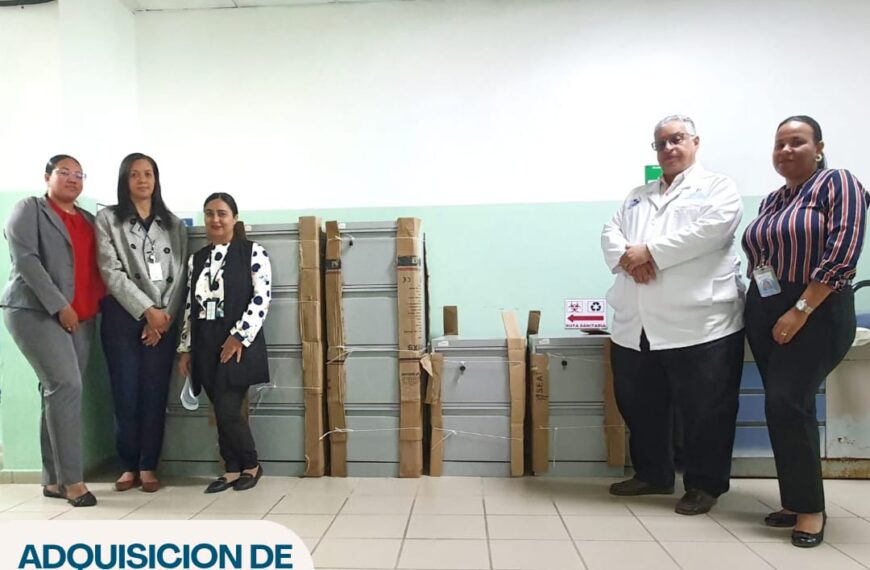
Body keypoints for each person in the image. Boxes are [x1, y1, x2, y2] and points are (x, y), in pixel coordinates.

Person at [601, 115, 745, 515]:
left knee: (706, 410)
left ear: (695, 142)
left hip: (702, 324)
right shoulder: (637, 196)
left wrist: (650, 253)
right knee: (639, 404)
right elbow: (610, 233)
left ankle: (704, 484)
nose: (668, 148)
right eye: (660, 143)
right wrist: (629, 258)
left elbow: (711, 232)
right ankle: (653, 474)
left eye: (676, 139)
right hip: (638, 324)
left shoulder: (718, 188)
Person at [742, 116, 868, 548]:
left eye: (797, 142)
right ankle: (796, 500)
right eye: (779, 144)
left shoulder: (838, 183)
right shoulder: (773, 199)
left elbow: (844, 251)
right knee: (781, 408)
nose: (786, 150)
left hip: (816, 307)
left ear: (819, 147)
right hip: (766, 305)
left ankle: (811, 510)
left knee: (788, 402)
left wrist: (801, 309)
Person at [1, 155, 106, 507]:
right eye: (65, 173)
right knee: (66, 386)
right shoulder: (29, 209)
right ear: (47, 176)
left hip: (82, 317)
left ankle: (52, 480)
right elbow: (26, 260)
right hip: (36, 311)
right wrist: (60, 306)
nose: (73, 179)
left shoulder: (89, 220)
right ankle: (72, 482)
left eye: (79, 174)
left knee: (59, 392)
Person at [95, 153, 188, 493]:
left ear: (156, 179)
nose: (142, 180)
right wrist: (146, 310)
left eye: (148, 174)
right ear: (125, 180)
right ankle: (128, 465)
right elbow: (110, 270)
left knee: (154, 392)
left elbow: (181, 274)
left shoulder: (174, 224)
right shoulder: (108, 218)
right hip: (123, 315)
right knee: (125, 392)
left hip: (163, 319)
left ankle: (149, 465)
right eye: (134, 174)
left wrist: (162, 318)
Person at [177, 193, 271, 493]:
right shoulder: (197, 259)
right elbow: (190, 306)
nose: (215, 220)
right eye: (209, 213)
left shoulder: (253, 252)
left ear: (234, 218)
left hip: (237, 343)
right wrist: (185, 348)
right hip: (204, 343)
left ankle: (251, 464)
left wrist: (238, 336)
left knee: (229, 410)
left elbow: (261, 299)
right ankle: (231, 468)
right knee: (219, 409)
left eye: (221, 213)